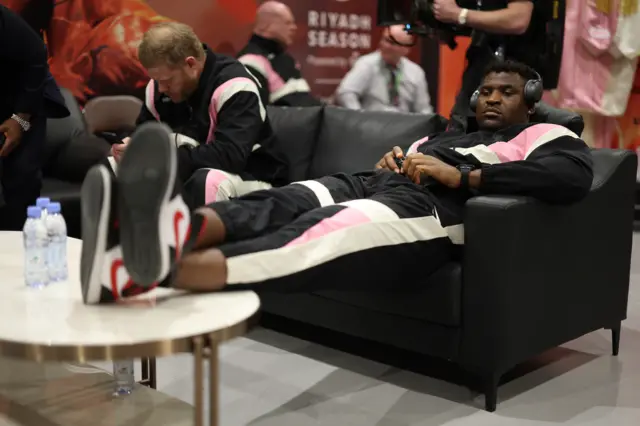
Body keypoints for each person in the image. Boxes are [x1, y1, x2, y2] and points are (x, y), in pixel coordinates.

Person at [78, 61, 593, 304]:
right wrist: (405, 156)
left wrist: (465, 175)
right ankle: (160, 230)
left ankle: (144, 273)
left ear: (530, 99)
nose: (492, 100)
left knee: (313, 232)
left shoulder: (545, 132)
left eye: (506, 92)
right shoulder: (449, 131)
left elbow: (571, 175)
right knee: (279, 201)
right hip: (372, 181)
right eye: (484, 91)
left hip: (427, 212)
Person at [108, 22, 288, 206]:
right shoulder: (158, 89)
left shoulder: (236, 85)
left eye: (166, 80)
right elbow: (145, 133)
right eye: (155, 80)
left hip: (254, 176)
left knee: (208, 181)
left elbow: (229, 156)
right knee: (112, 168)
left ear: (191, 64)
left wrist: (160, 159)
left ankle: (202, 235)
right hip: (189, 167)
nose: (161, 88)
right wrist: (130, 146)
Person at [0, 5, 69, 230]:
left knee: (22, 177)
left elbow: (36, 55)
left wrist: (20, 119)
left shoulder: (4, 21)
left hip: (23, 97)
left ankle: (24, 248)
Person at [432, 0, 543, 132]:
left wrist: (459, 14)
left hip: (514, 73)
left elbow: (518, 19)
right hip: (479, 69)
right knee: (458, 136)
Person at [237, 1, 321, 107]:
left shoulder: (286, 59)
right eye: (287, 23)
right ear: (266, 25)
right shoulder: (249, 62)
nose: (294, 28)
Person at [336, 25, 433, 114]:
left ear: (406, 49)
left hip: (404, 126)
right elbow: (345, 92)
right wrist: (360, 119)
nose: (384, 45)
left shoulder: (415, 72)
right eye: (384, 39)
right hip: (374, 125)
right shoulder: (367, 64)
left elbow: (423, 109)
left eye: (392, 43)